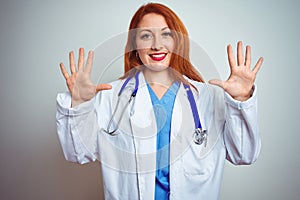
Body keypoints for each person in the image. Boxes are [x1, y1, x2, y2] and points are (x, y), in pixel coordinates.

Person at [56, 3, 263, 200]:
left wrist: (241, 100)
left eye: (166, 34)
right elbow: (78, 153)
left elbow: (243, 154)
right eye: (146, 36)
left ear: (178, 42)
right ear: (134, 46)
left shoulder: (209, 97)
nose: (156, 45)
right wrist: (80, 105)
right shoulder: (111, 97)